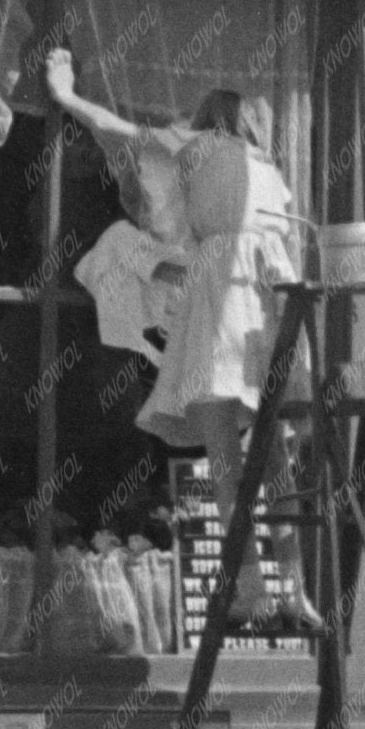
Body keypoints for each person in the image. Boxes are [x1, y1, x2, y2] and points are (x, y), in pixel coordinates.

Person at [44, 48, 314, 626]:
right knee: (276, 464)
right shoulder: (267, 174)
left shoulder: (200, 149)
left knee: (228, 463)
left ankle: (252, 588)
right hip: (266, 313)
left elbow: (117, 130)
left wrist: (68, 97)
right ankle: (290, 588)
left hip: (221, 311)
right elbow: (286, 256)